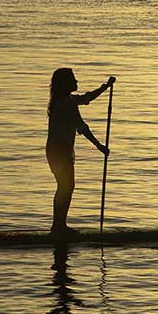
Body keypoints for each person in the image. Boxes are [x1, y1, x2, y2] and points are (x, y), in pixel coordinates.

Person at [46, 66, 114, 235]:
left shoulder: (65, 100)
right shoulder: (66, 103)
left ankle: (59, 225)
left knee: (65, 186)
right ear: (66, 83)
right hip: (60, 152)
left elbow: (86, 98)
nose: (76, 81)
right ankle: (59, 226)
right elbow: (82, 127)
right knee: (66, 186)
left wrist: (105, 87)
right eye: (73, 79)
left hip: (56, 151)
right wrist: (100, 147)